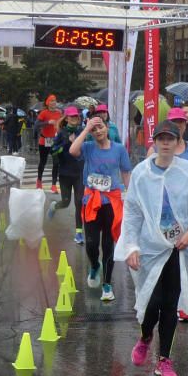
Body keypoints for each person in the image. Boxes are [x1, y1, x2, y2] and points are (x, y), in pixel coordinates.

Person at [115, 120, 188, 376]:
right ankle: (146, 336)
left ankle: (164, 361)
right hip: (149, 247)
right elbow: (133, 212)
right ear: (154, 141)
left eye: (170, 138)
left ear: (177, 140)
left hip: (177, 248)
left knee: (171, 303)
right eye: (161, 138)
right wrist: (132, 246)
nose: (166, 143)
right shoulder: (141, 173)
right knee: (153, 300)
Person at [69, 115, 132, 302]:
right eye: (94, 129)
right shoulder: (88, 148)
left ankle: (107, 284)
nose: (98, 132)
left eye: (101, 127)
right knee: (90, 243)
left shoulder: (119, 149)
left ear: (107, 127)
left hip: (111, 202)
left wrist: (132, 196)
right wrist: (86, 129)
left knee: (108, 244)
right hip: (91, 201)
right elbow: (73, 150)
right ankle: (94, 265)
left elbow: (126, 173)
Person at [48, 106, 86, 244]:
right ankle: (54, 206)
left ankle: (79, 233)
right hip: (65, 173)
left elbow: (87, 148)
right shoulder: (62, 133)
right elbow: (53, 151)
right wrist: (66, 143)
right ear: (67, 118)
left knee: (79, 202)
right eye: (72, 117)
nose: (74, 119)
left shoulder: (82, 132)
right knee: (66, 202)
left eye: (76, 116)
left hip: (79, 172)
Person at [35, 95, 62, 192]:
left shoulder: (59, 113)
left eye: (55, 100)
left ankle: (54, 184)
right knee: (43, 161)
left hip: (54, 141)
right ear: (47, 103)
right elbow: (36, 125)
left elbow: (61, 125)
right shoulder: (43, 113)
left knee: (56, 163)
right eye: (51, 101)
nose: (54, 102)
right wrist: (47, 123)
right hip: (44, 140)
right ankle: (39, 180)